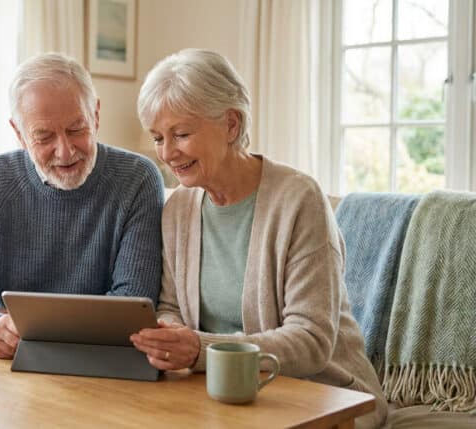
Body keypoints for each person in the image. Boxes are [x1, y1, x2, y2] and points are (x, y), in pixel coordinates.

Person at [129, 49, 386, 429]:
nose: (167, 153)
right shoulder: (178, 208)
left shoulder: (299, 199)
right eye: (157, 138)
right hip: (222, 398)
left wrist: (199, 349)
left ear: (231, 125)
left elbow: (311, 340)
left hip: (323, 398)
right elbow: (170, 307)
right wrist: (169, 339)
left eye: (181, 134)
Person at [0, 52, 164, 360]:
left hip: (104, 363)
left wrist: (36, 329)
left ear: (96, 115)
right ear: (19, 133)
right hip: (11, 364)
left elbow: (133, 304)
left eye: (76, 129)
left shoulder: (138, 178)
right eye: (43, 136)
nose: (65, 151)